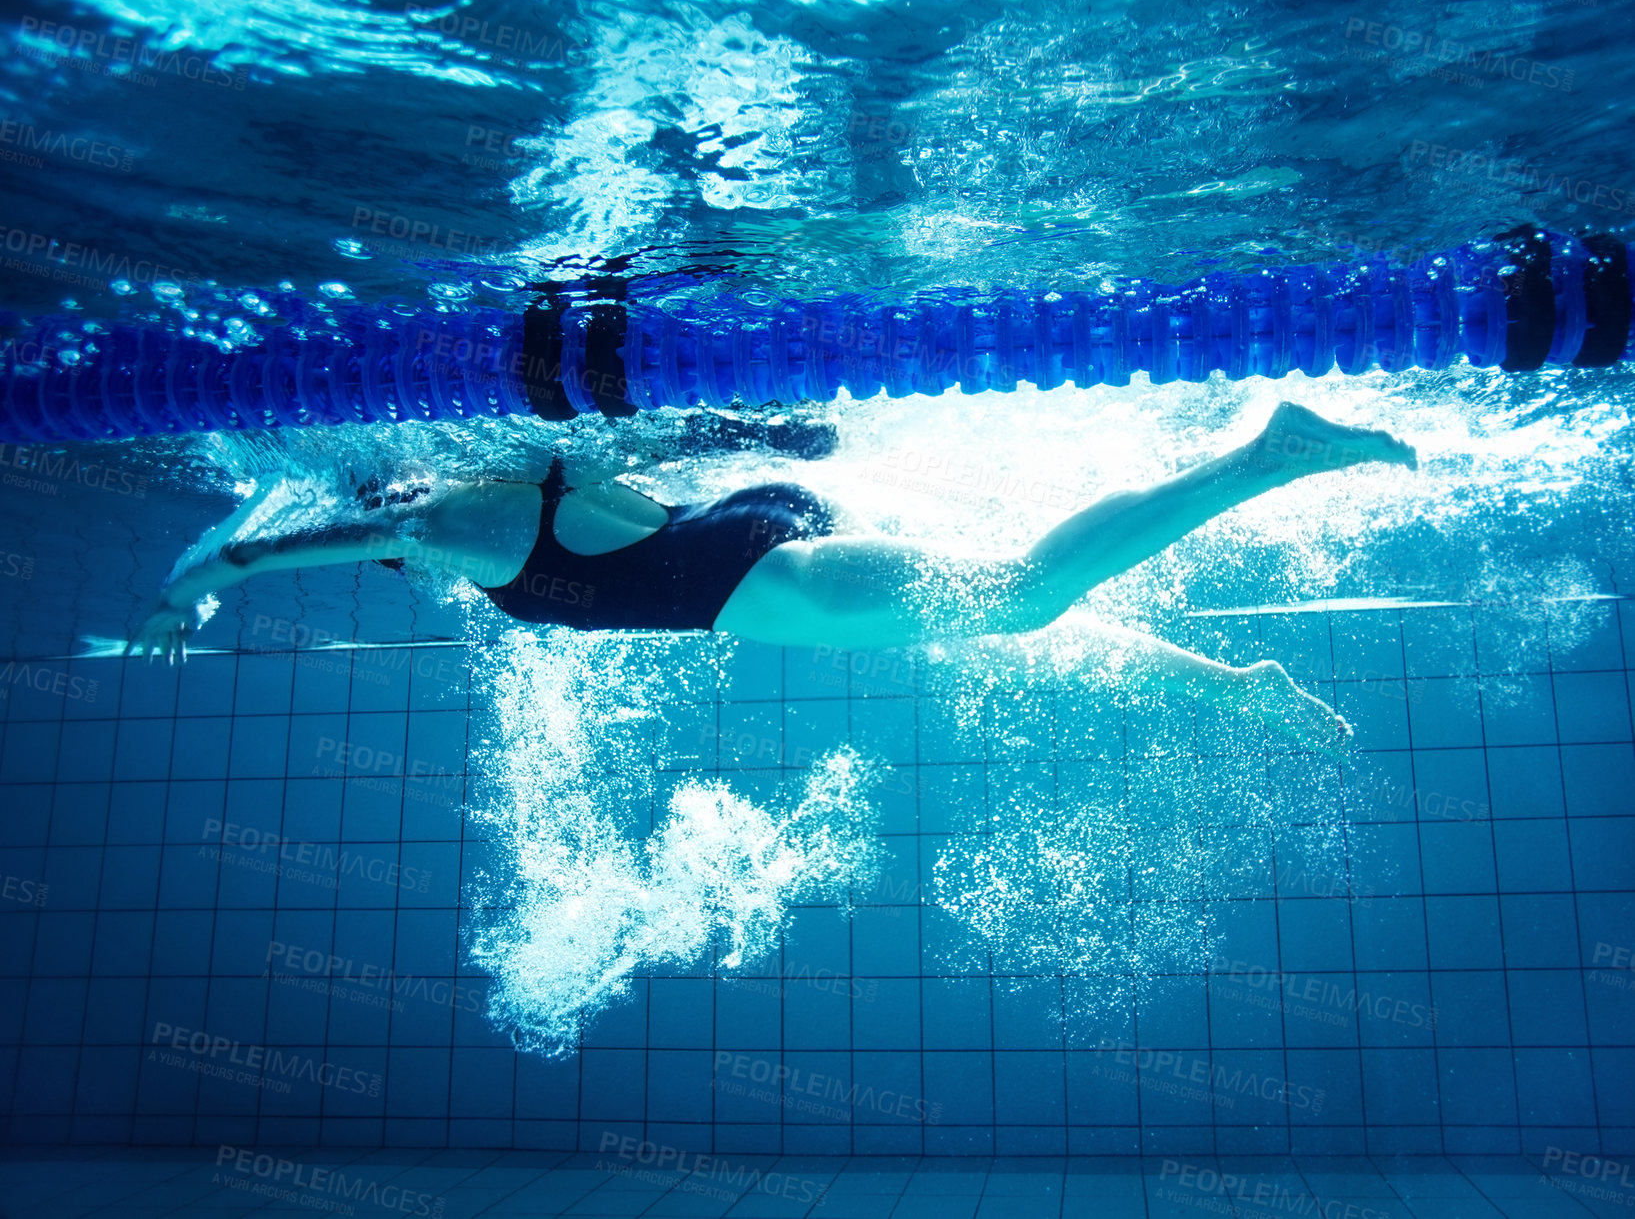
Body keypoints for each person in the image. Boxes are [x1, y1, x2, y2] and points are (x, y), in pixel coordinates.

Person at [129, 401, 1416, 753]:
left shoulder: (456, 519)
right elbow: (645, 458)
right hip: (744, 556)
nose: (393, 515)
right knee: (996, 618)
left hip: (761, 578)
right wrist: (761, 439)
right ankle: (1228, 681)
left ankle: (1268, 455)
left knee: (1019, 596)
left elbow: (360, 540)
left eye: (385, 501)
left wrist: (221, 572)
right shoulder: (512, 491)